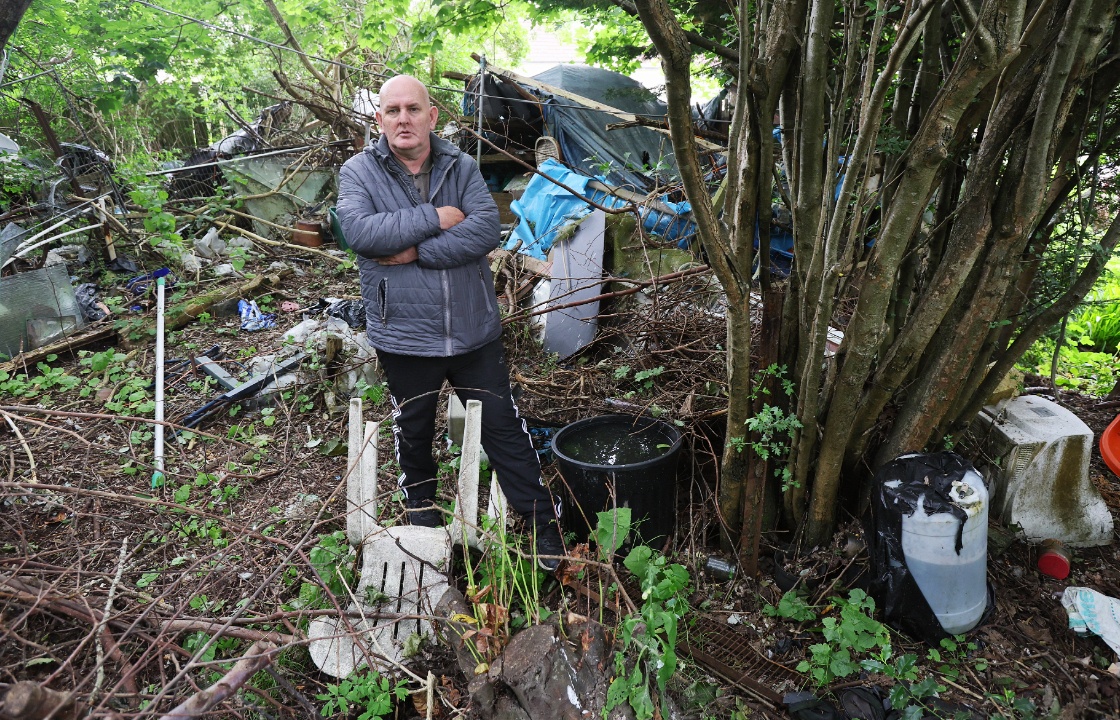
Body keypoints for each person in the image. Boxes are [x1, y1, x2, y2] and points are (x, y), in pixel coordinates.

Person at [336, 75, 564, 571]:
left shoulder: (460, 165)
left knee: (502, 427)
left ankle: (543, 522)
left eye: (412, 109)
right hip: (404, 332)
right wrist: (438, 216)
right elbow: (359, 231)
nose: (403, 119)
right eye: (392, 110)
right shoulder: (358, 172)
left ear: (432, 115)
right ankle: (422, 514)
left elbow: (484, 229)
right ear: (379, 119)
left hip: (471, 328)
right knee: (413, 427)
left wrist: (412, 250)